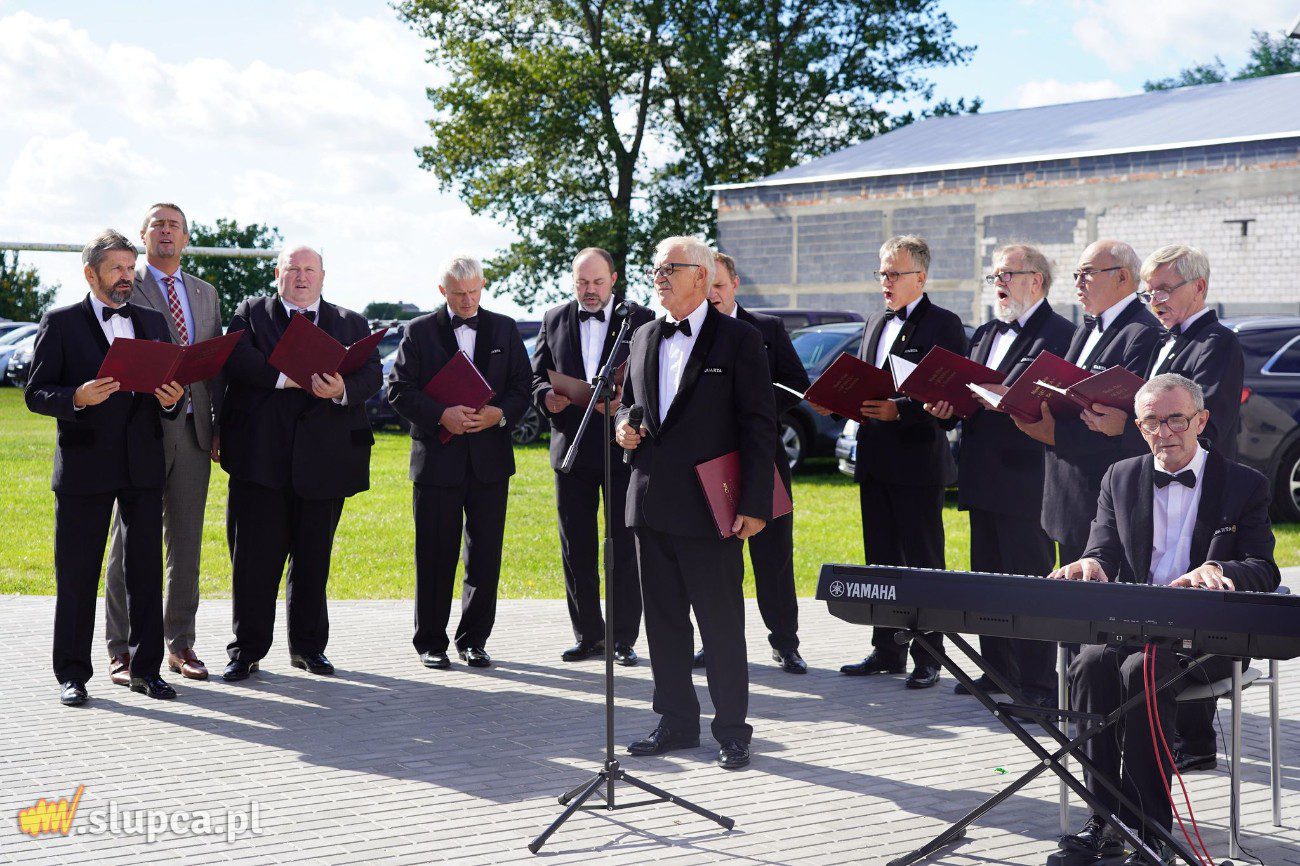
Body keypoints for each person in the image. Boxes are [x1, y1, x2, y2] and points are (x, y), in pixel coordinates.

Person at [1051, 374, 1280, 864]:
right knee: (1089, 663)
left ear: (1201, 420)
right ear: (1139, 427)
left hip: (1208, 639)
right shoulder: (1121, 476)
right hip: (1132, 627)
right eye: (1153, 421)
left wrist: (1221, 569)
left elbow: (1265, 568)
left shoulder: (1245, 484)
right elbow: (1103, 550)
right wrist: (1091, 562)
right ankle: (1104, 819)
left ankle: (1152, 827)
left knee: (1141, 671)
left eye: (1177, 418)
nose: (1166, 431)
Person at [615, 235, 779, 770]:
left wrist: (755, 504)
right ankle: (676, 721)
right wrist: (624, 430)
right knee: (662, 622)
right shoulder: (641, 336)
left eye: (671, 268)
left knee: (720, 623)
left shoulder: (740, 340)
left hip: (713, 509)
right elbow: (636, 408)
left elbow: (759, 427)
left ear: (703, 278)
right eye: (656, 267)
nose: (659, 276)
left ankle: (732, 728)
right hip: (650, 501)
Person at [25, 229, 184, 705]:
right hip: (83, 467)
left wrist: (172, 402)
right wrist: (75, 396)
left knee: (144, 573)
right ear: (90, 272)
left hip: (141, 465)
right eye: (116, 269)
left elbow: (168, 393)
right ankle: (72, 673)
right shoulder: (61, 322)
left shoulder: (154, 323)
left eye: (130, 269)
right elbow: (36, 394)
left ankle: (146, 671)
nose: (125, 278)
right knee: (77, 573)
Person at [218, 246, 382, 681]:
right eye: (294, 269)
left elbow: (372, 376)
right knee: (254, 562)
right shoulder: (252, 312)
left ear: (324, 276)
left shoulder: (350, 322)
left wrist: (342, 388)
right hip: (260, 461)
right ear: (279, 274)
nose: (302, 277)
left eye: (310, 270)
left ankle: (308, 648)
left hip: (325, 463)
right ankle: (246, 650)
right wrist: (286, 378)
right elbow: (236, 360)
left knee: (313, 561)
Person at [814, 235, 966, 689]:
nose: (886, 281)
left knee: (921, 562)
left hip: (917, 463)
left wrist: (904, 409)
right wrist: (836, 402)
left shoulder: (944, 323)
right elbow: (866, 385)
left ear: (920, 277)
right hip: (875, 461)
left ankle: (930, 655)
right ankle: (887, 649)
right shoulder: (876, 321)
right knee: (880, 562)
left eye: (894, 273)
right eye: (881, 272)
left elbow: (951, 395)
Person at [924, 244, 1074, 706]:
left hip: (1028, 479)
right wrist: (944, 407)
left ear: (1038, 280)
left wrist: (1009, 396)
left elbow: (1060, 403)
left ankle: (1038, 687)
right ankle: (996, 672)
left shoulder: (1061, 333)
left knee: (1028, 585)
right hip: (982, 475)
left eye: (1008, 274)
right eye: (995, 276)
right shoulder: (986, 331)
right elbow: (966, 396)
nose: (1000, 284)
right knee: (987, 581)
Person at [387, 255, 532, 670]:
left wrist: (499, 414)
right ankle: (431, 642)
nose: (468, 301)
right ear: (442, 292)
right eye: (458, 294)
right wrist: (440, 415)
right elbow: (398, 390)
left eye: (474, 292)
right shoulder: (418, 331)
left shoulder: (504, 327)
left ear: (483, 285)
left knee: (485, 556)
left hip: (490, 462)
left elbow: (523, 387)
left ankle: (474, 640)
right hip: (437, 462)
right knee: (434, 554)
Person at [103, 203, 222, 685]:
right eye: (158, 224)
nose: (166, 230)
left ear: (187, 236)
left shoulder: (205, 293)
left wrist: (218, 425)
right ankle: (122, 648)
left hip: (194, 433)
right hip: (142, 431)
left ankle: (180, 642)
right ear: (143, 235)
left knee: (187, 544)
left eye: (174, 224)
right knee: (129, 542)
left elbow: (213, 367)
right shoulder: (128, 284)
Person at [530, 248, 654, 666]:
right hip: (571, 448)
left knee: (623, 544)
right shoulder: (553, 319)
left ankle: (623, 639)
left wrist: (624, 404)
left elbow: (654, 382)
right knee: (576, 546)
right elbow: (534, 376)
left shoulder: (638, 319)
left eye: (598, 282)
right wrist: (546, 397)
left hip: (624, 449)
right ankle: (588, 635)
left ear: (614, 279)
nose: (590, 290)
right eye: (582, 282)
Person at [694, 251, 809, 675]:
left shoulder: (767, 329)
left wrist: (755, 406)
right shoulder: (695, 332)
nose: (714, 297)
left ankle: (786, 643)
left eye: (720, 288)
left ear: (736, 284)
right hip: (712, 464)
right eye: (706, 291)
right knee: (717, 564)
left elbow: (797, 384)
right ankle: (715, 643)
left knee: (774, 558)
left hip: (764, 461)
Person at [1016, 240, 1162, 571]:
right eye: (1076, 274)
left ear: (1123, 277)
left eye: (1087, 274)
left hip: (1098, 495)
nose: (1078, 284)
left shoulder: (1142, 332)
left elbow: (1121, 415)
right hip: (1064, 490)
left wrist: (1055, 433)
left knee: (1100, 606)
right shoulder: (1087, 326)